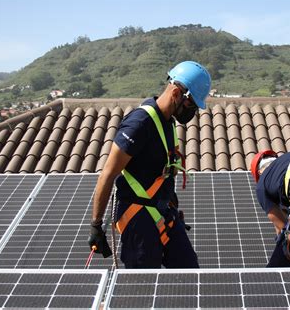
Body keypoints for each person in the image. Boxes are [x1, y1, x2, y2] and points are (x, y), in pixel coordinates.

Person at [88, 61, 211, 268]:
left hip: (164, 212)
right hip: (138, 218)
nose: (192, 112)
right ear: (175, 93)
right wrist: (96, 225)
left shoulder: (168, 122)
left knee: (190, 274)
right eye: (191, 104)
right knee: (143, 286)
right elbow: (108, 174)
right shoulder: (139, 124)